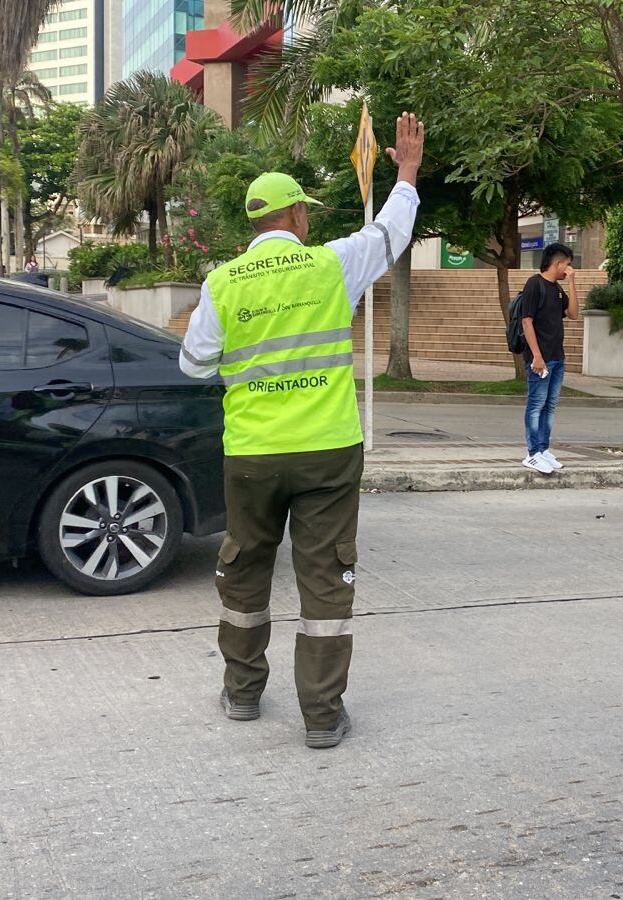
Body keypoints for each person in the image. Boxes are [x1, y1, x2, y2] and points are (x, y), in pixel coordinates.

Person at [178, 112, 424, 750]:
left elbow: (194, 361)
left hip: (252, 454)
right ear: (291, 217)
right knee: (324, 576)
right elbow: (391, 232)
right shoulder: (329, 265)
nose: (308, 219)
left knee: (245, 568)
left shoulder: (222, 281)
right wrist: (405, 172)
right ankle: (320, 716)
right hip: (327, 452)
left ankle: (241, 695)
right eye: (305, 211)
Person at [518, 242, 579, 474]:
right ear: (557, 263)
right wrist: (536, 356)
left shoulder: (557, 289)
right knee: (536, 405)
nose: (568, 270)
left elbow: (573, 314)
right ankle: (532, 453)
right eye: (568, 266)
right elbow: (527, 321)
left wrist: (572, 282)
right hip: (540, 359)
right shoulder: (535, 284)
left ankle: (543, 449)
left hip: (557, 357)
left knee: (549, 406)